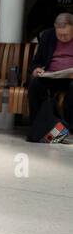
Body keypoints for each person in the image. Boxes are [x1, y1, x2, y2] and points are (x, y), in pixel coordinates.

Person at [25, 12, 73, 143]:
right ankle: (37, 128)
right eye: (59, 35)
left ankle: (68, 130)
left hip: (71, 78)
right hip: (51, 76)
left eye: (66, 35)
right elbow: (36, 61)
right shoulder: (48, 36)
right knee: (35, 84)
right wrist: (36, 69)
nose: (62, 38)